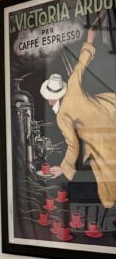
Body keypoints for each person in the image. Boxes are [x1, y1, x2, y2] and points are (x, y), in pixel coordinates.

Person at [43, 28, 116, 208]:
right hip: (110, 111)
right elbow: (80, 64)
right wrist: (89, 41)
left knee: (108, 185)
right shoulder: (72, 86)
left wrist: (64, 168)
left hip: (101, 138)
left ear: (52, 99)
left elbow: (73, 145)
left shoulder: (62, 116)